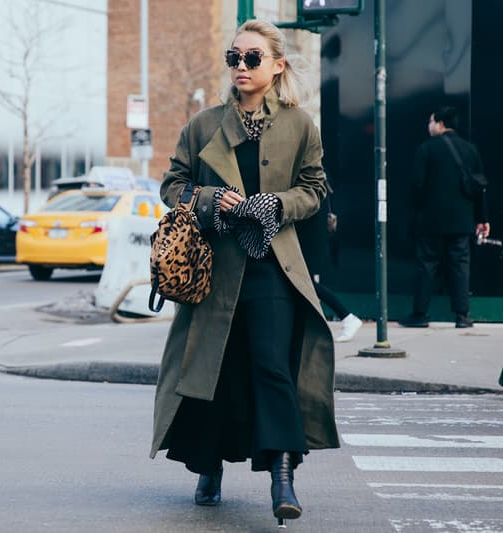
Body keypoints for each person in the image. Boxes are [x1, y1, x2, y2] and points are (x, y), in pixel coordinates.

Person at [150, 20, 339, 527]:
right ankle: (208, 468)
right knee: (213, 369)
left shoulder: (300, 125)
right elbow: (173, 185)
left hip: (272, 268)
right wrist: (212, 200)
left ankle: (282, 474)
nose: (240, 67)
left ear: (277, 65)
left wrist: (275, 203)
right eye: (234, 57)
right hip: (214, 271)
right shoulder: (204, 125)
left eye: (252, 58)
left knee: (272, 367)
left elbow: (316, 189)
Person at [398, 107, 490, 329]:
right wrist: (482, 218)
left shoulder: (426, 149)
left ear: (440, 123)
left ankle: (420, 314)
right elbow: (479, 187)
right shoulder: (470, 150)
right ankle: (462, 316)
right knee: (460, 266)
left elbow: (416, 186)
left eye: (430, 121)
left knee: (427, 265)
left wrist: (416, 213)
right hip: (462, 221)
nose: (428, 126)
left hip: (431, 221)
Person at [297, 175, 362, 342]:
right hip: (311, 239)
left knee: (306, 284)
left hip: (308, 240)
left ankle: (347, 316)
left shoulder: (308, 175)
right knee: (305, 285)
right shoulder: (316, 175)